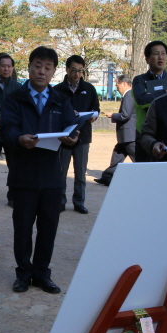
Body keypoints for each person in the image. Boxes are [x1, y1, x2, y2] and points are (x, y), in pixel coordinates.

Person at [0, 47, 81, 294]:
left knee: (48, 228)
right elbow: (7, 129)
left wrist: (73, 137)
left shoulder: (60, 100)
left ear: (54, 71)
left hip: (51, 176)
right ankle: (23, 274)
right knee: (22, 228)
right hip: (23, 175)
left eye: (47, 67)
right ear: (29, 67)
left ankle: (42, 274)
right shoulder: (15, 98)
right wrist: (19, 138)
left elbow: (73, 127)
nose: (42, 71)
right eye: (38, 65)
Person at [53, 55, 100, 214]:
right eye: (74, 70)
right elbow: (52, 112)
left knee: (80, 172)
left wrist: (94, 115)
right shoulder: (58, 90)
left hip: (83, 135)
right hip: (64, 136)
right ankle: (60, 201)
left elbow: (96, 108)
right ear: (66, 70)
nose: (77, 74)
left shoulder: (89, 88)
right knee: (61, 171)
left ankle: (79, 202)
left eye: (80, 71)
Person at [131, 41, 167, 162]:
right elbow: (142, 100)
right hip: (145, 134)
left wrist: (152, 95)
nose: (160, 57)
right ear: (147, 59)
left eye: (163, 53)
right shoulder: (139, 80)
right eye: (156, 54)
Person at [0, 53, 22, 206]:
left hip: (11, 133)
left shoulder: (18, 87)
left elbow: (21, 110)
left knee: (14, 166)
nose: (6, 69)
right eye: (3, 66)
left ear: (12, 68)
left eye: (9, 66)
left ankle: (13, 196)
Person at [95, 74, 135, 186]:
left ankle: (148, 174)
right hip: (125, 135)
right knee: (117, 155)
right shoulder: (130, 95)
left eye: (117, 85)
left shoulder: (129, 95)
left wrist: (112, 115)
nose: (117, 89)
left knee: (138, 159)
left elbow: (125, 115)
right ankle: (107, 176)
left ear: (124, 84)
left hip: (129, 135)